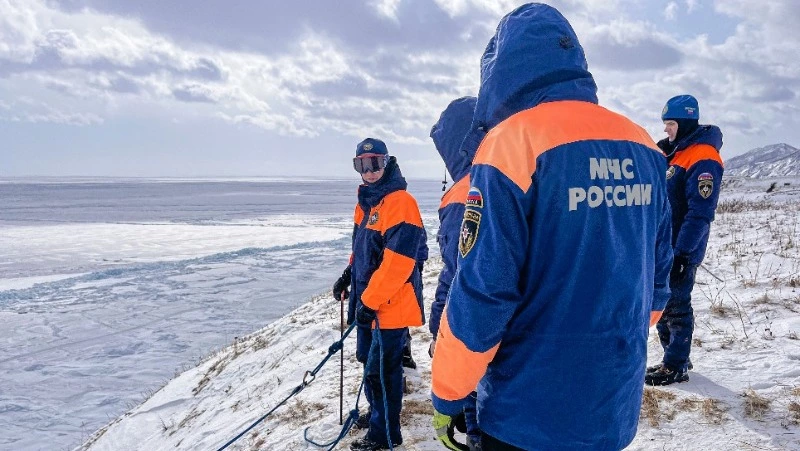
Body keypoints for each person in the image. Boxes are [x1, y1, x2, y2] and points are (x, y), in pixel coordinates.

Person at [429, 4, 673, 451]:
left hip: (527, 414)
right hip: (611, 404)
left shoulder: (509, 145)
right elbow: (657, 281)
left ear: (500, 70)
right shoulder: (644, 146)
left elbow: (483, 294)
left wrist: (447, 392)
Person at [332, 138, 426, 451]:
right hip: (368, 303)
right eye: (362, 165)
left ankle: (385, 435)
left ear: (386, 163)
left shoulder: (400, 202)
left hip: (389, 307)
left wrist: (370, 302)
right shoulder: (367, 203)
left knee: (383, 374)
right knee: (367, 364)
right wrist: (348, 275)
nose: (369, 172)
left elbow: (398, 264)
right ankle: (376, 416)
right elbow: (362, 249)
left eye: (375, 164)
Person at [646, 95, 724, 386]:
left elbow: (700, 212)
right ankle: (674, 357)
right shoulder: (673, 153)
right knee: (662, 303)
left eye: (671, 124)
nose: (666, 130)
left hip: (680, 248)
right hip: (662, 247)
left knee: (677, 305)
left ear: (685, 123)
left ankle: (676, 366)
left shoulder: (703, 156)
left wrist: (683, 254)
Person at [428, 96, 482, 450]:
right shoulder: (517, 171)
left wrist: (438, 333)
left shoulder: (463, 194)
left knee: (480, 419)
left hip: (477, 335)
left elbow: (457, 277)